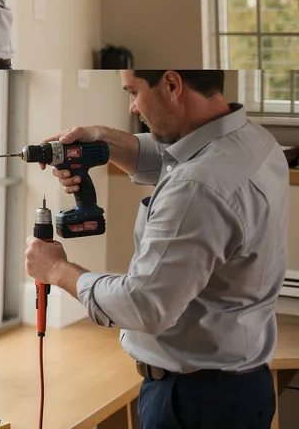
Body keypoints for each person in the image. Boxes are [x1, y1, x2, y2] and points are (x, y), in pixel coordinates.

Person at [23, 70, 289, 429]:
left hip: (194, 405)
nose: (133, 107)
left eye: (134, 92)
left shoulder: (196, 187)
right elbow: (167, 155)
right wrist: (101, 139)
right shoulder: (253, 140)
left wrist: (56, 270)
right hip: (240, 387)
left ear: (172, 84)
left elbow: (144, 305)